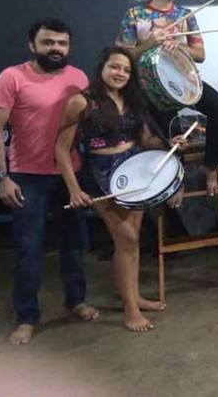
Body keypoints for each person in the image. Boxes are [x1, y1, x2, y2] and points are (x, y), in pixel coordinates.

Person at [0, 18, 99, 345]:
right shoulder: (12, 77)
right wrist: (1, 177)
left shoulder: (78, 78)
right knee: (28, 248)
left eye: (62, 43)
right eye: (48, 42)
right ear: (32, 45)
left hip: (69, 174)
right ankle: (27, 317)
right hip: (27, 175)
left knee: (73, 243)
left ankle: (76, 300)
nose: (56, 48)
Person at [56, 47, 180, 332]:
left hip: (134, 170)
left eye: (125, 69)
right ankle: (130, 310)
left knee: (131, 240)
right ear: (102, 67)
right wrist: (74, 189)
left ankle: (134, 296)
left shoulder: (133, 100)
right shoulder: (81, 102)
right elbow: (62, 149)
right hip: (101, 174)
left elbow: (145, 140)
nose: (120, 73)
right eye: (114, 67)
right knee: (126, 240)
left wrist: (169, 143)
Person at [115, 0, 218, 196]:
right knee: (171, 130)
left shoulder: (185, 15)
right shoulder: (134, 15)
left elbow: (200, 55)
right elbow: (121, 58)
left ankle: (211, 168)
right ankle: (175, 182)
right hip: (150, 87)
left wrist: (179, 46)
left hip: (184, 81)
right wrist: (148, 44)